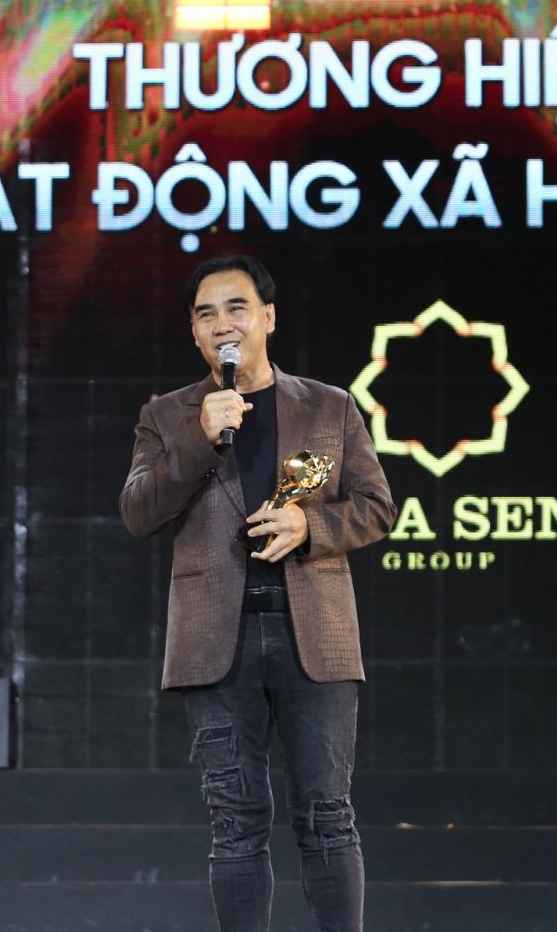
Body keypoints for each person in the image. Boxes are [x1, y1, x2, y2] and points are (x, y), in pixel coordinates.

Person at [120, 255, 397, 932]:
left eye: (236, 308)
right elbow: (138, 511)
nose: (223, 324)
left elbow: (377, 507)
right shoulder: (167, 415)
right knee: (236, 822)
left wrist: (310, 526)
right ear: (194, 333)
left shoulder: (330, 405)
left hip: (314, 636)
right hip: (218, 641)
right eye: (206, 314)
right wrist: (199, 439)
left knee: (328, 816)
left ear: (268, 318)